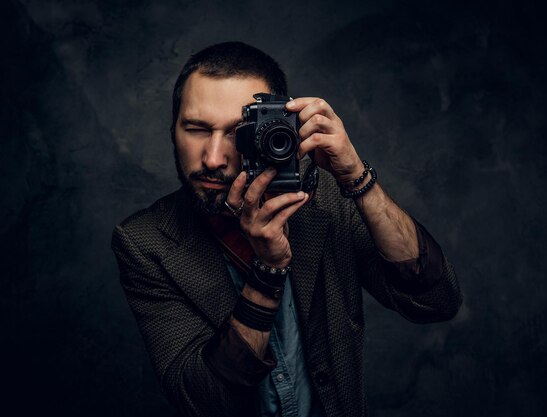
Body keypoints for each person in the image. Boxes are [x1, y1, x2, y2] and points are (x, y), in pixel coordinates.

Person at [111, 41, 462, 417]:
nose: (213, 158)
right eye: (197, 129)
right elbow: (206, 402)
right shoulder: (145, 243)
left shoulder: (323, 200)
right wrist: (267, 272)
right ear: (173, 127)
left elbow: (435, 301)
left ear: (274, 128)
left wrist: (356, 178)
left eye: (236, 133)